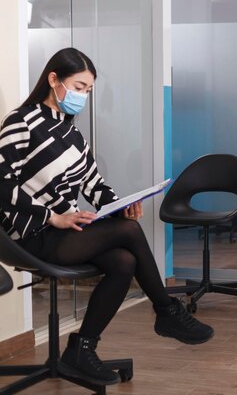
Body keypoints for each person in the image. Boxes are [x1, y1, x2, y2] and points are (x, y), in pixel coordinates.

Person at [0, 48, 215, 386]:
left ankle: (81, 350)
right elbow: (2, 184)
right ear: (53, 80)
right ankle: (167, 311)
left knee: (123, 262)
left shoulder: (72, 134)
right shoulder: (21, 122)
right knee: (128, 233)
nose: (83, 96)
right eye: (79, 87)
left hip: (65, 231)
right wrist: (51, 217)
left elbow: (93, 183)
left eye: (88, 90)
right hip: (30, 235)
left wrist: (119, 203)